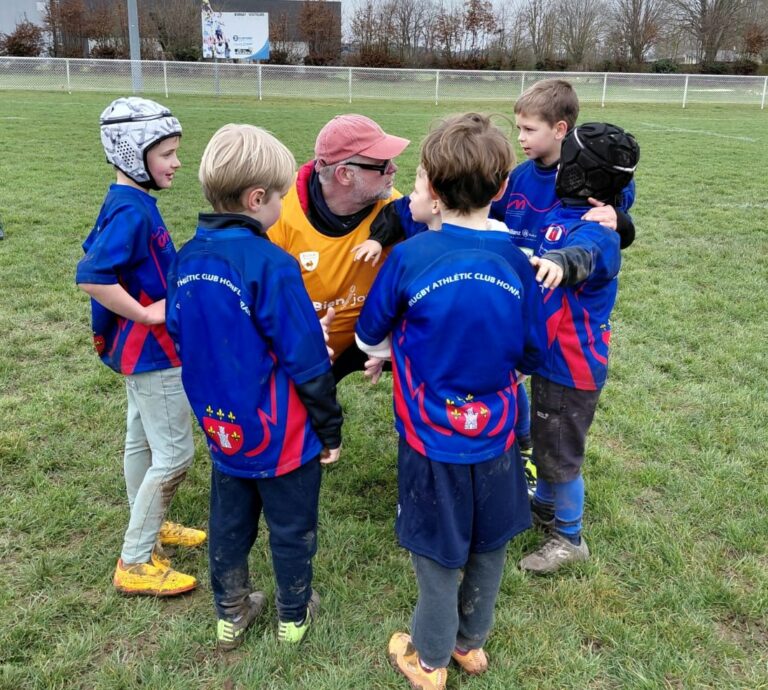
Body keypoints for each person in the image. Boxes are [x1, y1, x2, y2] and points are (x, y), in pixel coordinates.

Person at [355, 113, 546, 690]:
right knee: (489, 541)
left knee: (440, 552)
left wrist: (396, 350)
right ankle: (470, 645)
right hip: (497, 437)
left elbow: (369, 336)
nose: (409, 194)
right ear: (502, 188)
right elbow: (532, 353)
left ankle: (431, 659)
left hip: (431, 441)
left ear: (433, 194)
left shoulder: (411, 259)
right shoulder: (517, 260)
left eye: (413, 184)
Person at [166, 124, 343, 650]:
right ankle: (292, 616)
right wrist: (329, 427)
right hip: (283, 435)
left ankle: (231, 612)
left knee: (229, 524)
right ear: (257, 198)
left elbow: (180, 332)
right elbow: (308, 360)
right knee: (292, 528)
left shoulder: (186, 259)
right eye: (283, 196)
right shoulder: (273, 265)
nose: (287, 205)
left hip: (224, 430)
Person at [75, 97, 203, 597]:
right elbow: (92, 275)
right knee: (173, 457)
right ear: (133, 155)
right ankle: (135, 560)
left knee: (142, 442)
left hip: (138, 353)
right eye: (167, 153)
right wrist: (150, 313)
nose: (176, 162)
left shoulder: (127, 200)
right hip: (152, 354)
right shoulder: (131, 210)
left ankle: (150, 528)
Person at [518, 122, 640, 575]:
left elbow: (586, 254)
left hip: (572, 366)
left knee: (560, 452)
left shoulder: (597, 230)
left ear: (580, 174)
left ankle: (569, 538)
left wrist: (559, 262)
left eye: (568, 160)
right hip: (553, 362)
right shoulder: (578, 210)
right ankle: (545, 506)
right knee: (549, 440)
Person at [267, 113, 410, 382]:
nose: (394, 169)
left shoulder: (394, 207)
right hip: (308, 343)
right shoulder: (280, 215)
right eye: (382, 165)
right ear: (344, 174)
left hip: (370, 332)